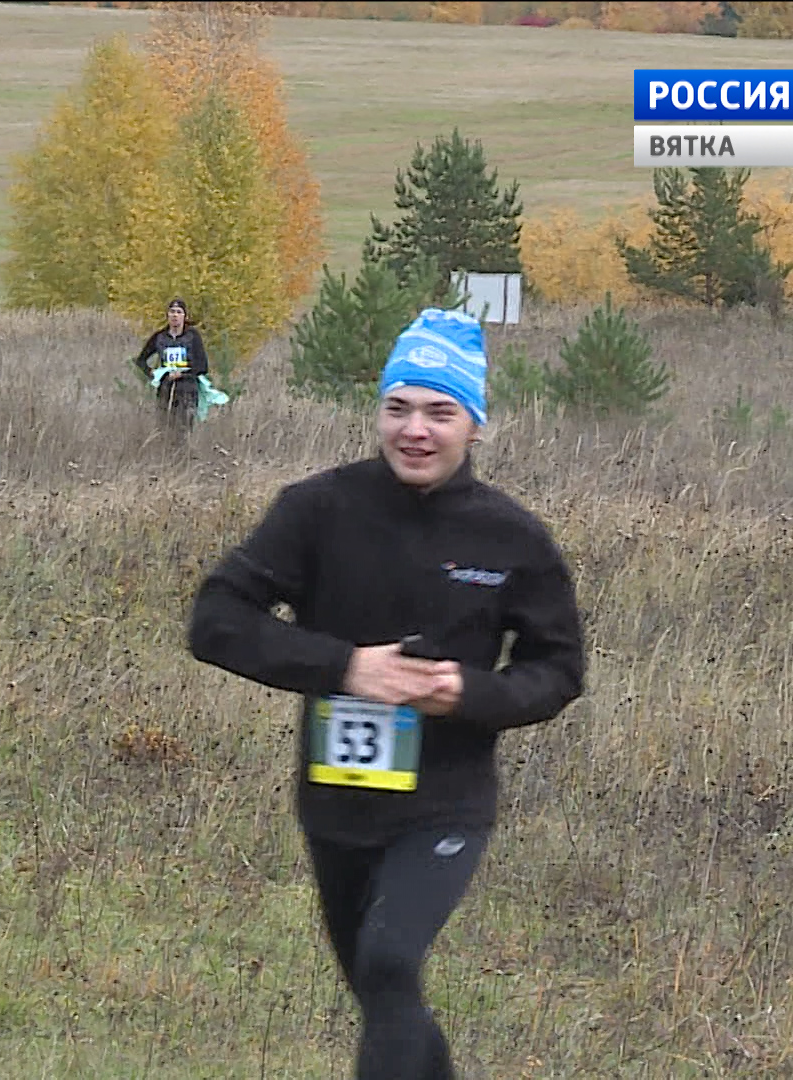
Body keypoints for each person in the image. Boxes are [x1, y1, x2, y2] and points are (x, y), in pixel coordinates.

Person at [187, 308, 586, 1079]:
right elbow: (215, 621)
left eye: (441, 412)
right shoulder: (318, 509)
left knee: (392, 961)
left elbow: (558, 670)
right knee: (380, 988)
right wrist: (345, 668)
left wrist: (466, 692)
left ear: (475, 425)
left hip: (446, 803)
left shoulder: (512, 539)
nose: (416, 430)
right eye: (398, 407)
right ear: (378, 412)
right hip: (335, 802)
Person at [132, 298, 209, 428]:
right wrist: (152, 374)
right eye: (172, 312)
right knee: (165, 428)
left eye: (179, 312)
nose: (175, 315)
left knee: (183, 429)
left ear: (185, 316)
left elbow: (203, 366)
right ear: (167, 315)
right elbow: (141, 360)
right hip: (166, 389)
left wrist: (183, 374)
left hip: (187, 390)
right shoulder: (160, 337)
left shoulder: (192, 336)